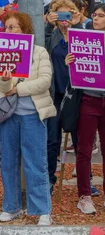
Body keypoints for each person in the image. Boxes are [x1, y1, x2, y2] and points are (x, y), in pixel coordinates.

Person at [65, 4, 105, 215]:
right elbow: (74, 71)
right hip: (88, 100)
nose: (95, 18)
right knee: (84, 150)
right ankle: (84, 197)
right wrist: (69, 62)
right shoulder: (83, 40)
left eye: (100, 16)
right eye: (94, 15)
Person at [0, 12, 55, 225]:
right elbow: (3, 88)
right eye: (7, 27)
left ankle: (42, 210)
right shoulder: (3, 52)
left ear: (25, 29)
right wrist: (6, 82)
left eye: (14, 27)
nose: (10, 30)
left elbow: (44, 82)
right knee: (8, 162)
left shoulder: (39, 52)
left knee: (35, 162)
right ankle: (11, 207)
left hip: (33, 114)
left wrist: (17, 89)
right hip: (8, 116)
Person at [44, 0, 86, 194]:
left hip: (76, 92)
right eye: (59, 14)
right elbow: (41, 46)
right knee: (52, 139)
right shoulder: (51, 36)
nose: (64, 19)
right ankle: (50, 178)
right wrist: (46, 24)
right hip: (55, 94)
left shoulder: (80, 33)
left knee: (80, 138)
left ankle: (85, 181)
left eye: (67, 14)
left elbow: (91, 50)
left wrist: (78, 26)